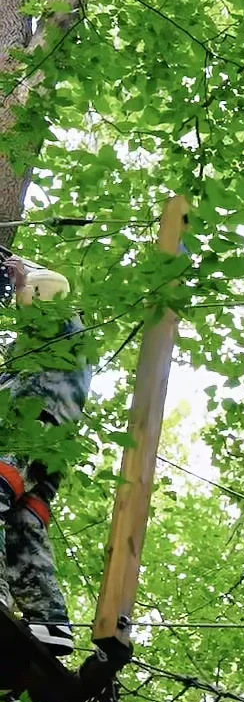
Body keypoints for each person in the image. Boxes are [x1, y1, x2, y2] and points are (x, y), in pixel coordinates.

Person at [0, 254, 93, 656]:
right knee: (23, 524)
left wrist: (22, 281)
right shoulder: (43, 357)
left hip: (28, 428)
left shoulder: (64, 326)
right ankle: (50, 622)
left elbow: (38, 315)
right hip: (49, 448)